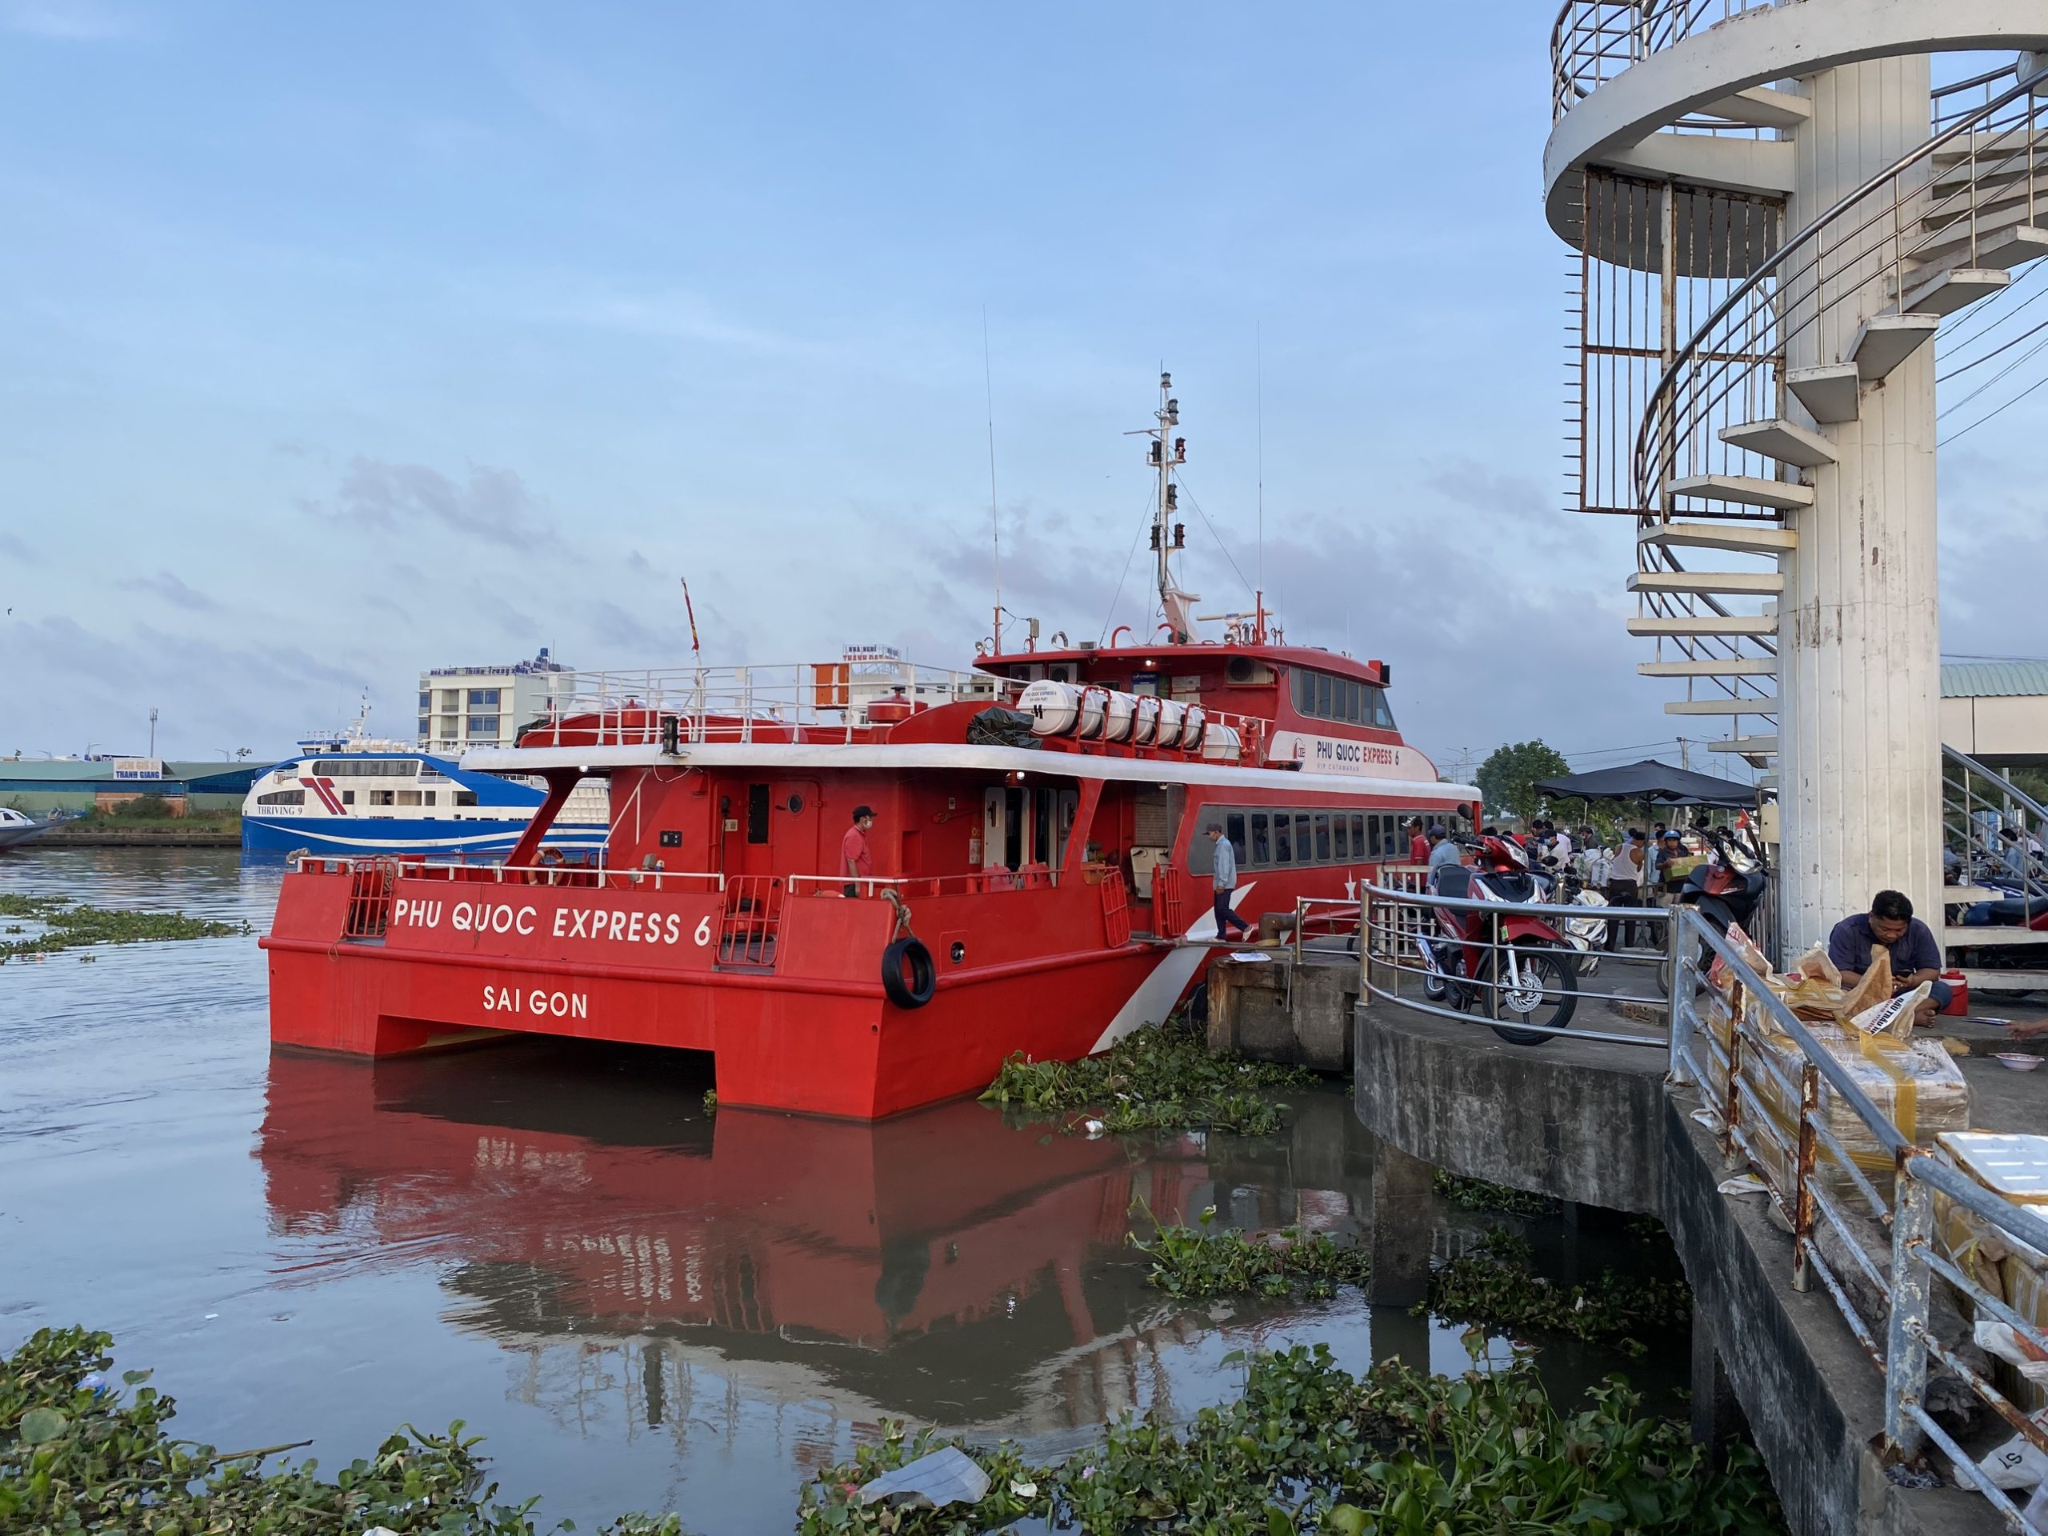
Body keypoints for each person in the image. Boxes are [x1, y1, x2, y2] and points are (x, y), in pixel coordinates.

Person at [1827, 890, 1949, 1027]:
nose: (1891, 935)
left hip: (1899, 992)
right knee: (1836, 998)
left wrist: (1912, 980)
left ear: (1907, 924)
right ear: (1871, 916)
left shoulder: (1918, 929)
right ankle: (1905, 1017)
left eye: (1899, 930)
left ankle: (1889, 1016)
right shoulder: (1847, 929)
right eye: (1884, 929)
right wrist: (1876, 984)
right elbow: (1840, 973)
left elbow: (1932, 971)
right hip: (1860, 991)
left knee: (1942, 990)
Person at [1204, 822, 1252, 940]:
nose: (1209, 836)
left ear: (1216, 832)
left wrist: (1221, 884)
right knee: (1218, 909)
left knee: (1222, 908)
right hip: (1221, 883)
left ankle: (1245, 927)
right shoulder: (1221, 845)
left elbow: (1224, 865)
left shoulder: (1223, 845)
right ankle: (1221, 935)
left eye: (1209, 833)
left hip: (1224, 884)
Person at [1604, 829, 1647, 949]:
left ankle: (1610, 945)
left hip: (1615, 884)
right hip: (1630, 884)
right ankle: (1629, 945)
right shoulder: (1639, 853)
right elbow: (1639, 868)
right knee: (1630, 916)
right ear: (1640, 841)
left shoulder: (1619, 847)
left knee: (1613, 916)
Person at [842, 804, 875, 896]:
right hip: (855, 885)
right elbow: (851, 860)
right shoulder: (854, 836)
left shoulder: (858, 834)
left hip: (860, 882)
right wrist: (857, 884)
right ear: (862, 819)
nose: (871, 821)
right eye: (869, 818)